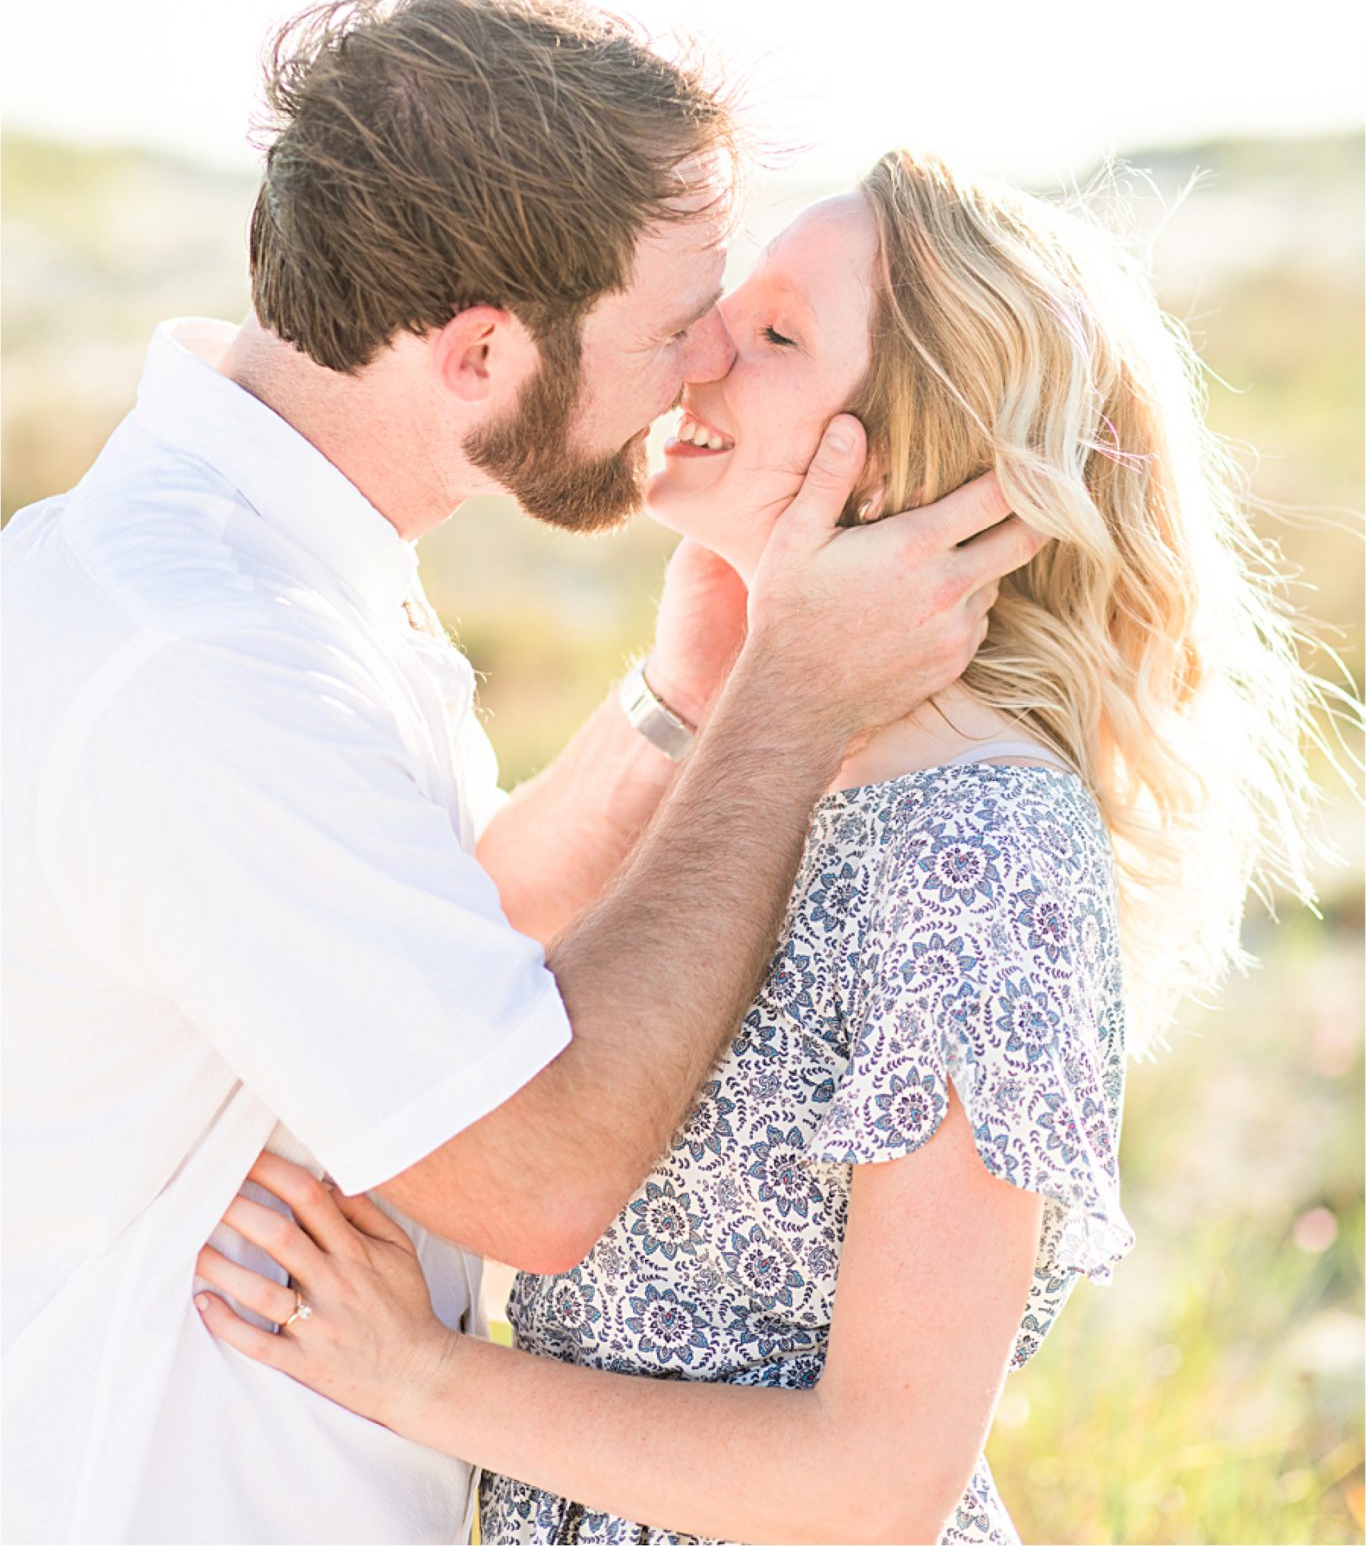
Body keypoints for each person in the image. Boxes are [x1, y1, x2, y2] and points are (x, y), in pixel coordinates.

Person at [0, 0, 1040, 1546]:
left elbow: (441, 947)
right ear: (483, 350)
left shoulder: (277, 580)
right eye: (672, 320)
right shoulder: (205, 660)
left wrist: (685, 708)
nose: (700, 364)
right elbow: (534, 1177)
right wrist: (784, 704)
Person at [200, 152, 1322, 1546]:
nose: (702, 347)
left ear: (921, 450)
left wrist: (418, 1375)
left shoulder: (974, 852)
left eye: (779, 334)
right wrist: (688, 696)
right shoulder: (762, 764)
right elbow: (456, 964)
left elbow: (876, 1480)